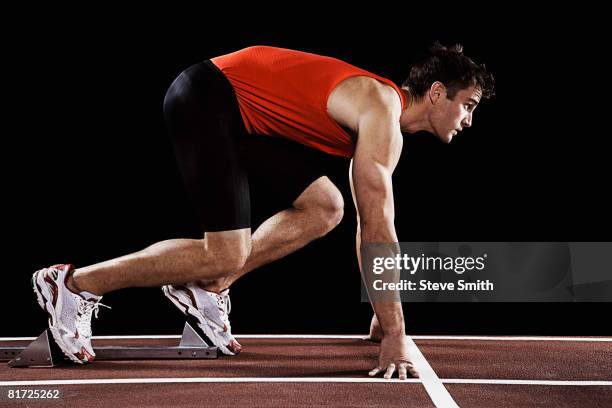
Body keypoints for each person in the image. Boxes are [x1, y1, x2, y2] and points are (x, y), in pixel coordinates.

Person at [32, 43, 494, 379]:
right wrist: (394, 331)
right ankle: (71, 284)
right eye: (467, 106)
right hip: (211, 95)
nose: (469, 120)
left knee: (325, 207)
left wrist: (383, 313)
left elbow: (364, 223)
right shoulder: (381, 110)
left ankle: (204, 291)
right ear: (437, 93)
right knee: (225, 252)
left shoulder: (382, 117)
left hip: (243, 117)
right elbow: (376, 226)